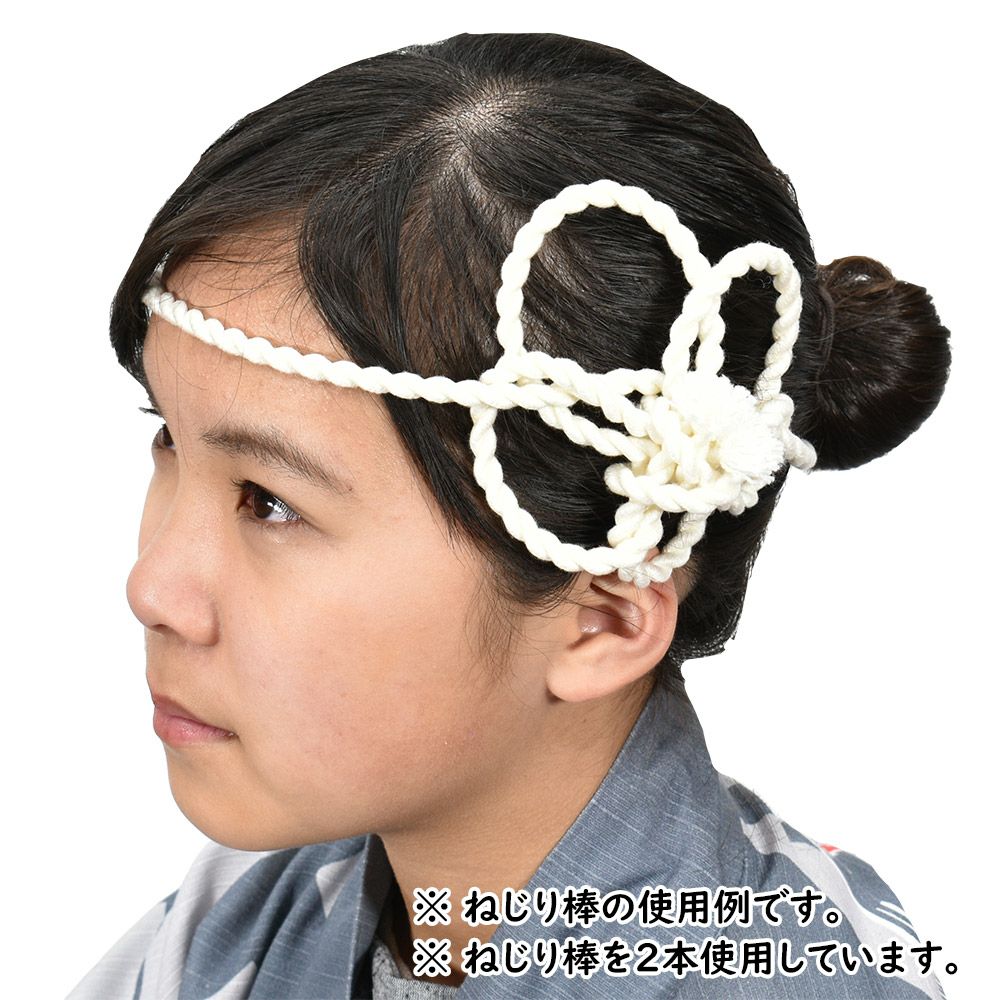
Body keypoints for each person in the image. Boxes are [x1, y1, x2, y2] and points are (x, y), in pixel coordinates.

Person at [66, 31, 951, 1000]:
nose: (153, 588)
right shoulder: (242, 916)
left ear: (601, 618)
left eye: (271, 502)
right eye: (168, 436)